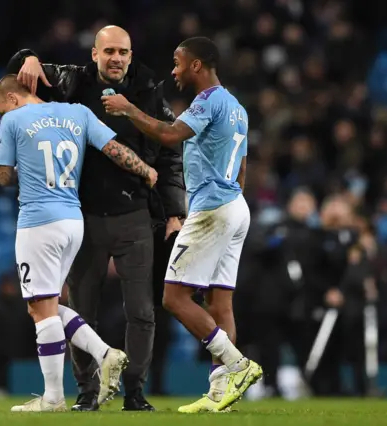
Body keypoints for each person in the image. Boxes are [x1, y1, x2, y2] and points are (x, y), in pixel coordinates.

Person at [8, 24, 186, 412]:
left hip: (135, 214)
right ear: (94, 55)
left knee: (141, 310)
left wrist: (175, 211)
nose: (117, 59)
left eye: (123, 52)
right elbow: (19, 73)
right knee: (83, 306)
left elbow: (171, 151)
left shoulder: (149, 90)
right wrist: (28, 56)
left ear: (131, 54)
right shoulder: (73, 82)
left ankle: (135, 392)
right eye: (109, 52)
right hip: (83, 215)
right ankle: (87, 392)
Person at [102, 36, 263, 413]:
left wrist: (127, 109)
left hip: (213, 208)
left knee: (173, 297)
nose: (172, 70)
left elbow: (171, 135)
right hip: (236, 205)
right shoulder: (237, 107)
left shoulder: (207, 101)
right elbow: (241, 167)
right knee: (220, 302)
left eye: (177, 62)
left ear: (196, 65)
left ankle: (238, 365)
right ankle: (220, 392)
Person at [0, 74, 158, 412]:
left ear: (11, 99)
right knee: (46, 305)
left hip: (38, 222)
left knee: (41, 309)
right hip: (73, 220)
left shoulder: (12, 119)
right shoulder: (78, 112)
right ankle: (105, 354)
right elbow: (114, 150)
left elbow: (3, 175)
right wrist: (146, 171)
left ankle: (56, 395)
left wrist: (21, 164)